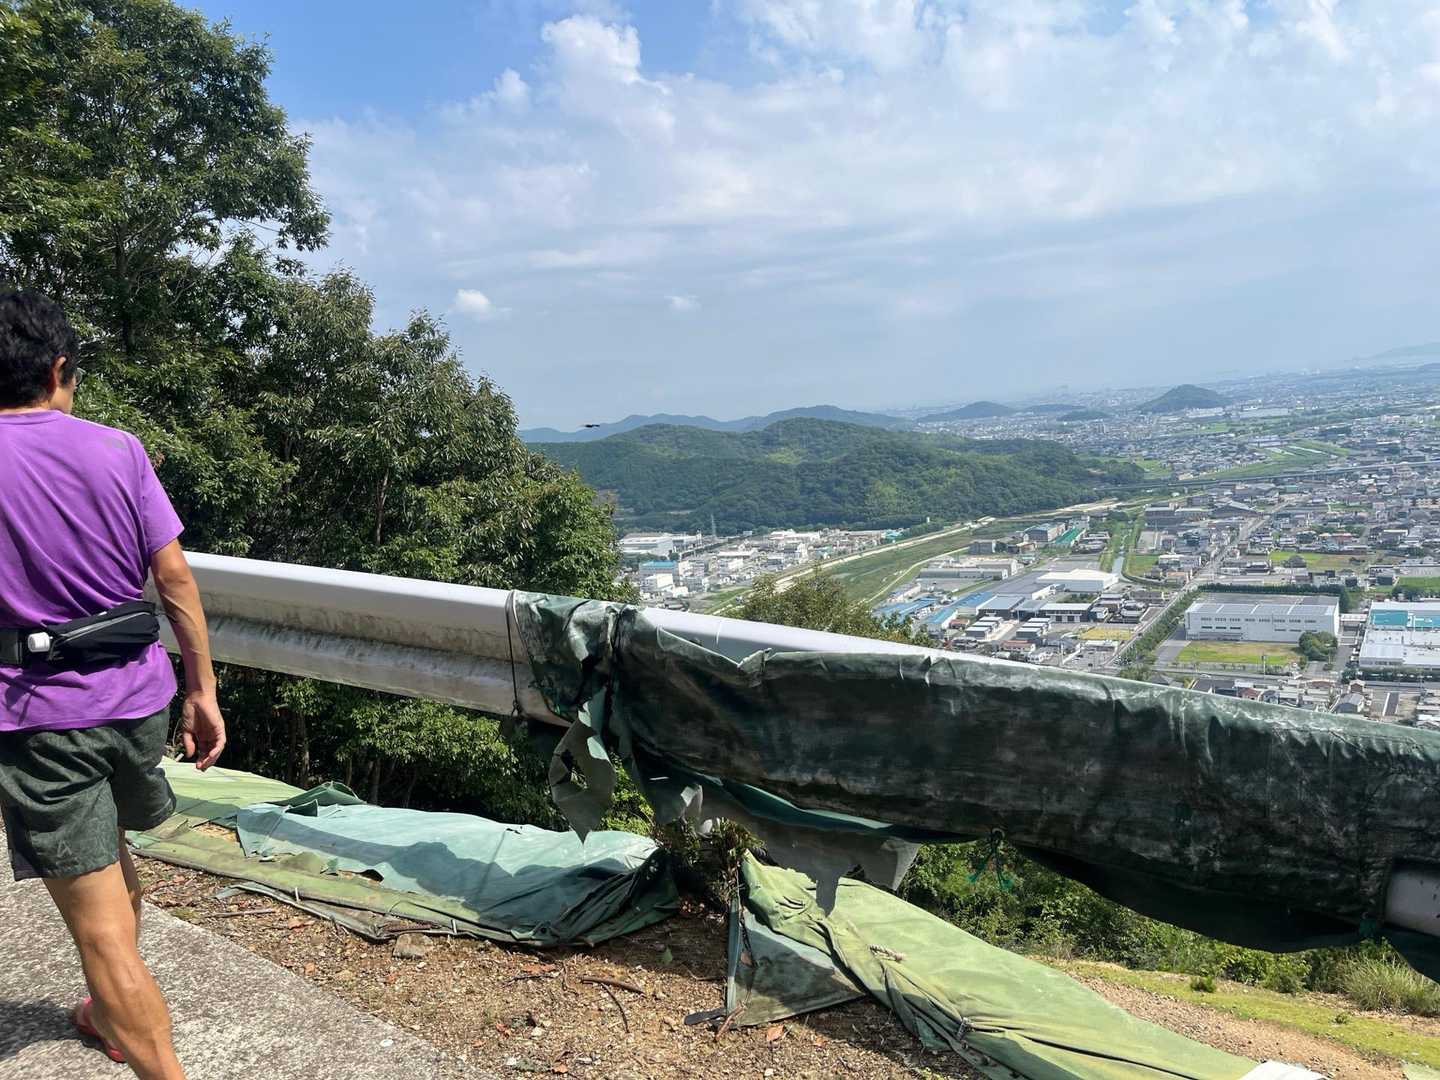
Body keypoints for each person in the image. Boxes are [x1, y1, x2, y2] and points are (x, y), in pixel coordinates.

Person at [0, 289, 224, 1080]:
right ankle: (106, 1012)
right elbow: (175, 580)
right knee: (112, 856)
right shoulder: (119, 450)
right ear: (57, 368)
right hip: (137, 701)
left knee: (97, 929)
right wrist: (202, 690)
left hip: (39, 717)